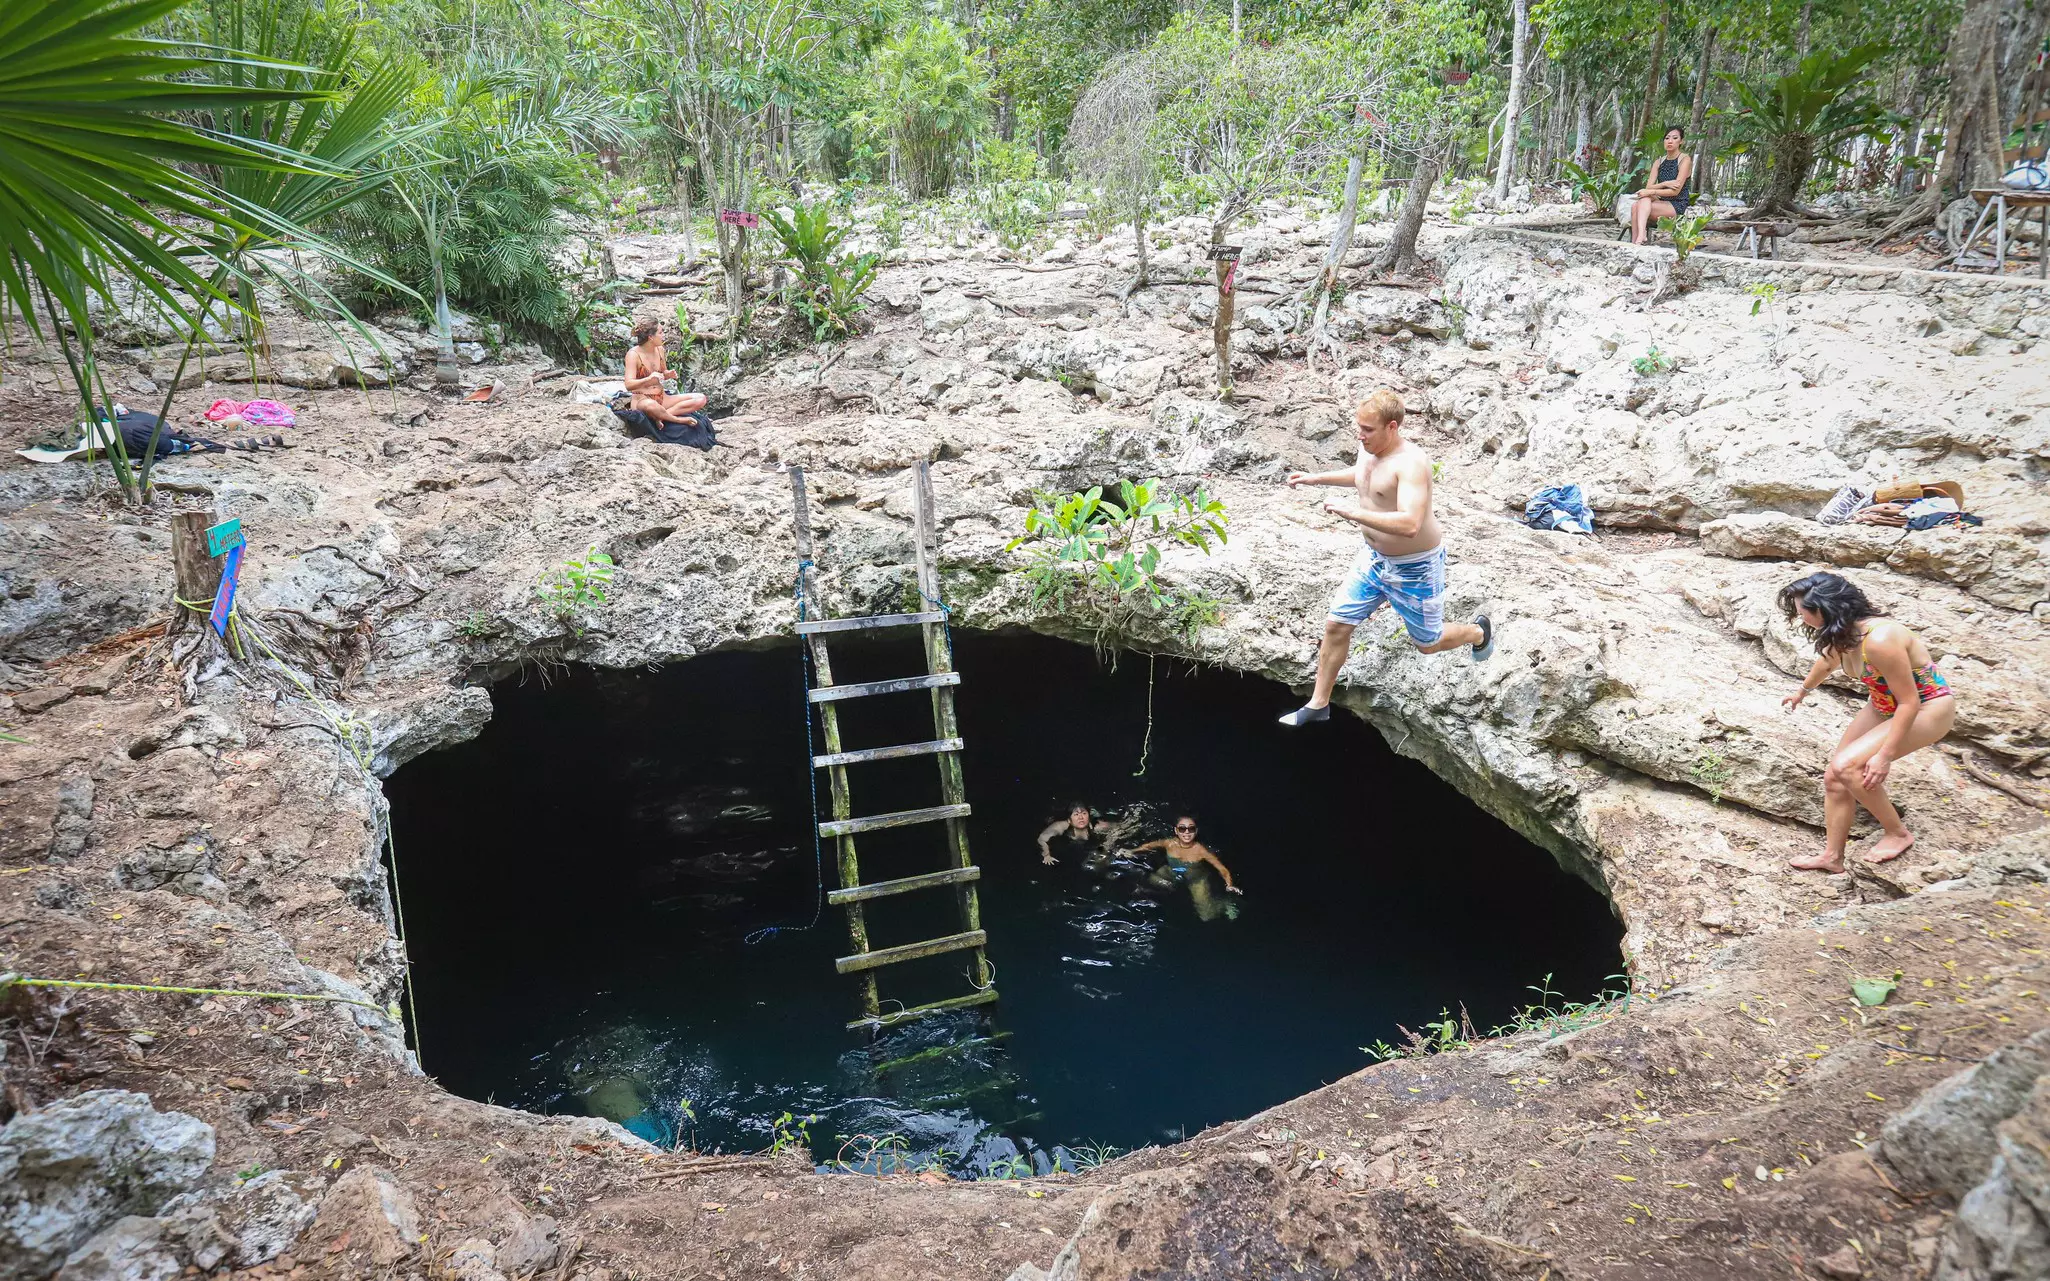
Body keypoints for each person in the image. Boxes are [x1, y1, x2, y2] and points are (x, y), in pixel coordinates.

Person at [1277, 389, 1492, 727]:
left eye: (1368, 429)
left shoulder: (1412, 463)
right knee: (1336, 624)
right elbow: (1365, 478)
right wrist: (1315, 478)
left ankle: (1478, 633)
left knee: (1428, 643)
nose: (1360, 435)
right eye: (1358, 428)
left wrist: (1353, 514)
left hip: (1416, 567)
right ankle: (1319, 704)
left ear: (1392, 427)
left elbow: (1409, 523)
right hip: (1374, 559)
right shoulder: (1369, 449)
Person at [1778, 571, 1957, 873]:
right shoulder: (1843, 633)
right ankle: (1833, 857)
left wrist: (1884, 755)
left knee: (1849, 766)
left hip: (1928, 708)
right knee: (1835, 777)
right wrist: (1801, 692)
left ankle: (1897, 833)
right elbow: (1828, 661)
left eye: (1802, 612)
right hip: (1884, 704)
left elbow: (1909, 702)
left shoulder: (1880, 640)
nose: (1800, 617)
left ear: (1824, 609)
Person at [624, 317, 708, 426]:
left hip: (663, 398)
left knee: (700, 398)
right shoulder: (633, 354)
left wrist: (668, 375)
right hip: (643, 400)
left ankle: (663, 417)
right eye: (660, 332)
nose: (663, 335)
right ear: (651, 337)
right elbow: (628, 384)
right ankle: (678, 420)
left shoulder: (660, 350)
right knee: (651, 406)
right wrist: (648, 379)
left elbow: (663, 373)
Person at [1130, 817, 1241, 898]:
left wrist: (1229, 885)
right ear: (1176, 831)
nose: (1187, 832)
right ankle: (1160, 891)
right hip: (1172, 871)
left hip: (1196, 880)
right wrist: (1132, 851)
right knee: (1152, 879)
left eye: (1191, 829)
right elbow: (1149, 845)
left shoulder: (1201, 851)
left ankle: (1225, 906)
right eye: (1182, 829)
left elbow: (1222, 869)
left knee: (1206, 915)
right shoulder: (1169, 843)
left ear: (1196, 831)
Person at [1630, 126, 1693, 246]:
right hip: (1662, 201)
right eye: (1667, 138)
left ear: (1681, 141)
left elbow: (1675, 191)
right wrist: (1665, 183)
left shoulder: (1684, 159)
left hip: (1677, 204)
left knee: (1637, 206)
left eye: (1675, 138)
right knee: (1638, 203)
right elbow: (1649, 186)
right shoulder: (1659, 162)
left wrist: (1652, 191)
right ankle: (1637, 240)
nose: (1670, 141)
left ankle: (1639, 239)